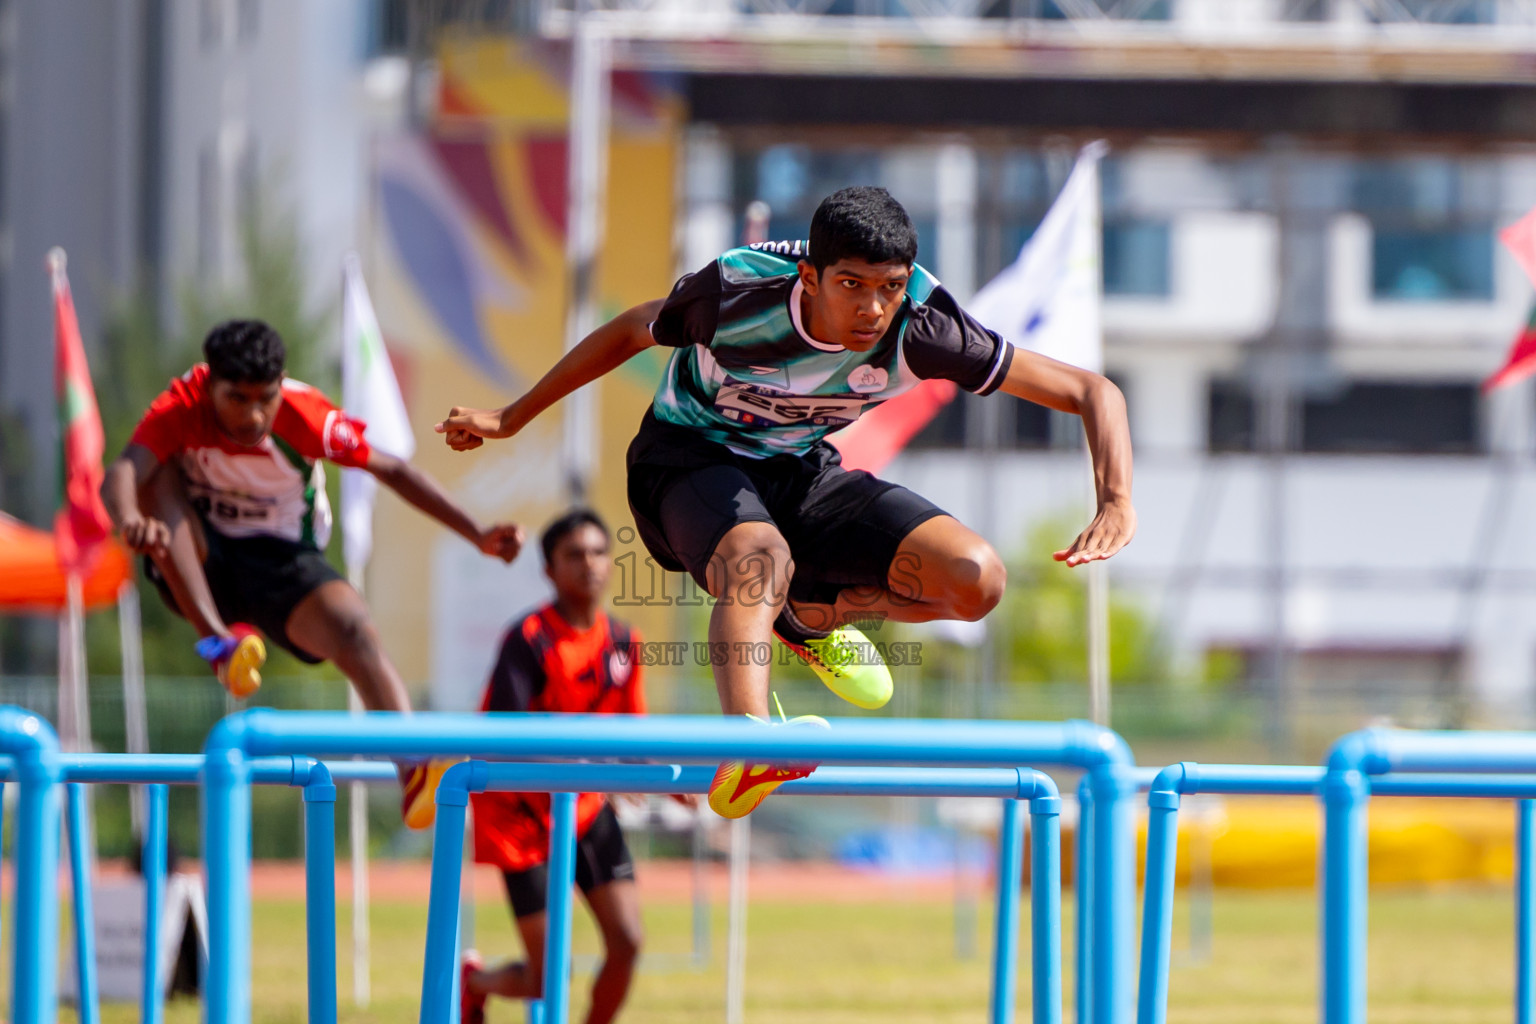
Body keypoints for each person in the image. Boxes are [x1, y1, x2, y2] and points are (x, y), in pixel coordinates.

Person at [437, 186, 1136, 819]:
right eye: (852, 286)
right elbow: (629, 330)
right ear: (811, 277)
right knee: (758, 556)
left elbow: (1091, 392)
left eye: (888, 289)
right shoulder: (739, 293)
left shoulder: (924, 329)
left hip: (801, 470)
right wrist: (512, 416)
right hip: (685, 459)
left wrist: (1116, 499)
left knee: (975, 580)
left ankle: (810, 615)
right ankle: (747, 747)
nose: (871, 310)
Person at [101, 319, 525, 829]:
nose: (254, 415)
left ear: (282, 386)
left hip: (283, 561)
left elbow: (392, 470)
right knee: (155, 475)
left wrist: (476, 532)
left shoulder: (305, 416)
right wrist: (130, 524)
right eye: (237, 399)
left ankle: (413, 768)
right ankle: (219, 643)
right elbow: (123, 471)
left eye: (266, 398)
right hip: (200, 559)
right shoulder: (182, 405)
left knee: (356, 629)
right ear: (211, 385)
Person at [461, 508, 668, 1024]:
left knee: (627, 941)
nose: (589, 564)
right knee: (548, 973)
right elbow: (509, 739)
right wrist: (584, 768)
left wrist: (662, 776)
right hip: (518, 812)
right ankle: (476, 983)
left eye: (598, 552)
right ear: (548, 569)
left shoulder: (623, 642)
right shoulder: (528, 638)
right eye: (574, 555)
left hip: (582, 803)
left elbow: (632, 734)